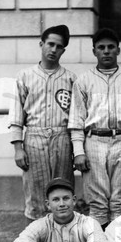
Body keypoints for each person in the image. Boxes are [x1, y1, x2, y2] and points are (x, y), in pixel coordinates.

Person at [68, 28, 121, 229]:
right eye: (101, 47)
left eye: (110, 47)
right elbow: (76, 120)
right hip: (94, 141)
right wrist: (78, 151)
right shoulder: (84, 81)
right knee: (97, 201)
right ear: (94, 51)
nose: (106, 51)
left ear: (118, 50)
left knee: (120, 199)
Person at [9, 25, 76, 222]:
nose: (54, 49)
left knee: (62, 191)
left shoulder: (71, 78)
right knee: (35, 193)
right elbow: (16, 115)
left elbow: (76, 117)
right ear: (42, 44)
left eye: (59, 46)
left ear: (63, 50)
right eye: (50, 44)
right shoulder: (25, 76)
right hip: (34, 137)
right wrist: (18, 148)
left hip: (62, 137)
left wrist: (76, 147)